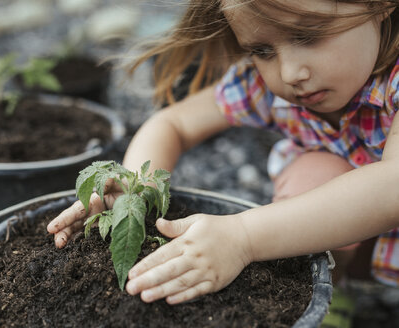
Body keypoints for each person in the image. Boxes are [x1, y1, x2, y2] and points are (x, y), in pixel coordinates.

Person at [48, 0, 399, 319]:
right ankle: (331, 298)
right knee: (314, 175)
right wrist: (135, 190)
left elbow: (390, 188)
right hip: (362, 241)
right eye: (262, 50)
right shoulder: (266, 86)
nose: (290, 73)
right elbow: (173, 123)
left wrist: (242, 237)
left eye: (308, 35)